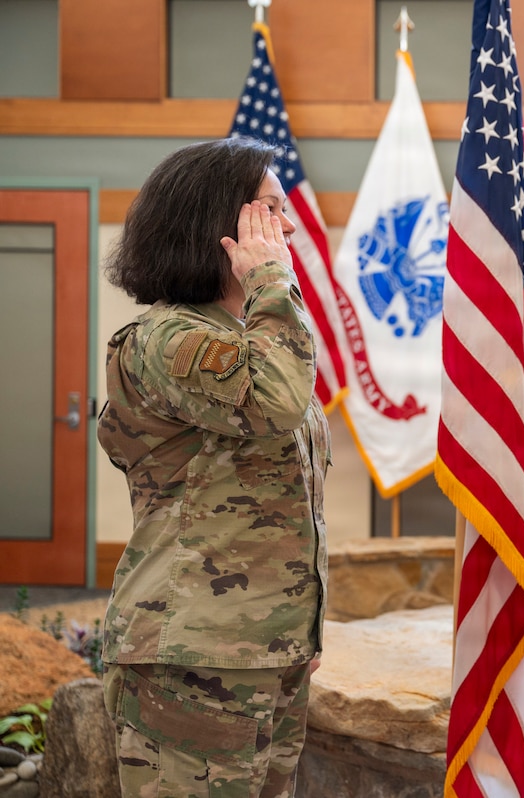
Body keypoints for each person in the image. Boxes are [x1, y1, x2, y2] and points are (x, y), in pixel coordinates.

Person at [97, 137, 331, 797]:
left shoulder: (250, 334)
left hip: (265, 651)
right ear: (216, 226)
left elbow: (291, 500)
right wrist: (271, 285)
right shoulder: (167, 340)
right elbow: (280, 402)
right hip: (193, 656)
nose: (287, 227)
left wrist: (300, 629)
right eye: (271, 210)